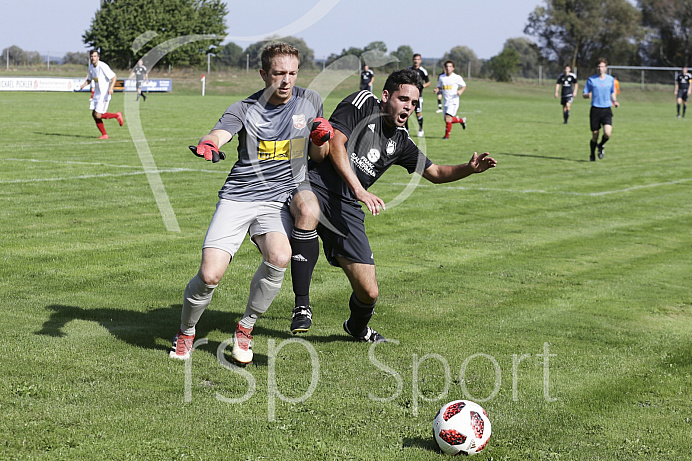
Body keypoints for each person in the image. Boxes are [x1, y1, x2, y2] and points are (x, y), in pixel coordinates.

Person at [287, 69, 497, 341]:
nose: (408, 107)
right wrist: (360, 189)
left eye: (413, 103)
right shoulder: (362, 103)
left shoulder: (401, 141)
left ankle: (357, 328)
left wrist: (469, 169)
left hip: (348, 207)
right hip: (315, 184)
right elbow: (336, 143)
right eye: (403, 99)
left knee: (369, 292)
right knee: (307, 211)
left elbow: (435, 173)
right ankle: (302, 305)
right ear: (386, 96)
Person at [168, 43, 332, 364]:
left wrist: (320, 139)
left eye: (292, 73)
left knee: (280, 256)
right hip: (239, 197)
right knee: (210, 275)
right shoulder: (243, 107)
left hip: (275, 201)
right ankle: (186, 331)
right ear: (263, 74)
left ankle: (245, 328)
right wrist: (209, 142)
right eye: (278, 73)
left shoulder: (310, 101)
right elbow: (221, 132)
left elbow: (319, 157)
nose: (286, 81)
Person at [75, 50, 123, 139]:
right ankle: (104, 134)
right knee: (94, 114)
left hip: (104, 94)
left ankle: (117, 115)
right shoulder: (90, 68)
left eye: (95, 56)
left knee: (98, 114)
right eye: (91, 56)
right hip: (97, 94)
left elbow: (114, 77)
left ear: (98, 57)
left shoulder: (103, 66)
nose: (93, 58)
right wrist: (83, 85)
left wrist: (111, 88)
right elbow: (89, 79)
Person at [583, 58, 619, 161]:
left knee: (607, 134)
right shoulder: (591, 79)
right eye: (598, 66)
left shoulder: (610, 79)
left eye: (602, 66)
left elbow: (612, 92)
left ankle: (601, 145)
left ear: (605, 68)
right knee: (595, 135)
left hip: (606, 109)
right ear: (596, 68)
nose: (600, 68)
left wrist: (615, 101)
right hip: (595, 109)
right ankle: (592, 154)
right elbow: (584, 93)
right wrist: (586, 95)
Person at [436, 60, 467, 139]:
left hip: (453, 101)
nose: (448, 68)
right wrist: (436, 89)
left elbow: (464, 85)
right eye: (447, 66)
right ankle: (461, 120)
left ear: (453, 68)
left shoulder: (456, 77)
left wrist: (461, 91)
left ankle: (446, 136)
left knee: (448, 118)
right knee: (447, 120)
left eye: (450, 66)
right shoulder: (442, 77)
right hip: (445, 101)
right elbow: (439, 86)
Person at [407, 53, 431, 136]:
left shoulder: (422, 71)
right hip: (408, 95)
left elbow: (428, 83)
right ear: (413, 60)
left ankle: (420, 130)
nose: (416, 61)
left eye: (418, 59)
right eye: (415, 59)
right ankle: (406, 129)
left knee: (418, 113)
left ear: (420, 61)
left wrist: (422, 86)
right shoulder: (408, 69)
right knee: (405, 111)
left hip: (418, 96)